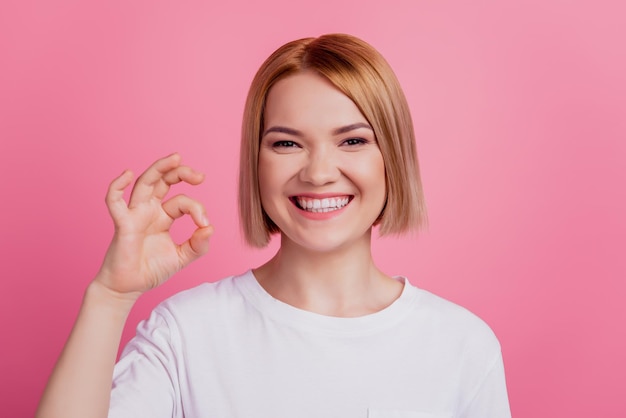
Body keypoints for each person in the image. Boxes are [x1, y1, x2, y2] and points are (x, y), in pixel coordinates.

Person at [36, 34, 511, 417]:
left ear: (394, 159)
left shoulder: (461, 345)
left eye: (352, 141)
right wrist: (110, 296)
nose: (319, 171)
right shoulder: (186, 334)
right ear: (256, 163)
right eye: (287, 144)